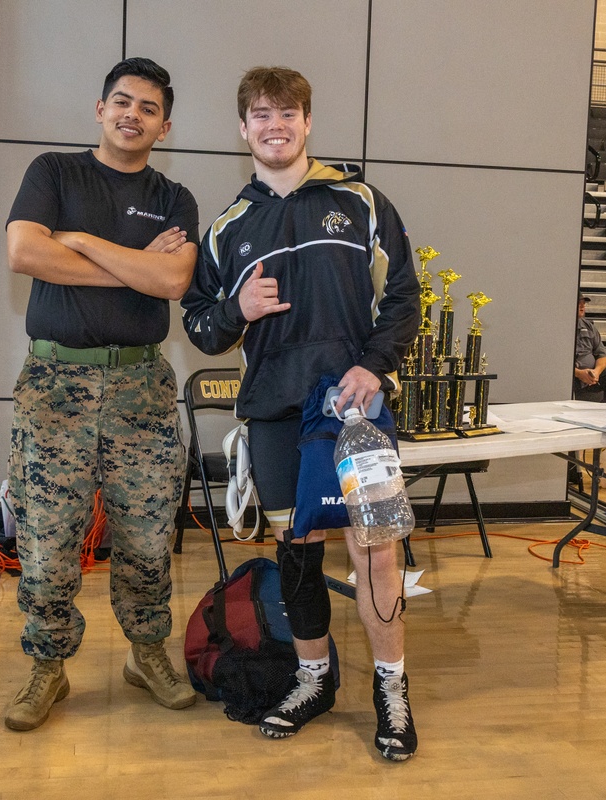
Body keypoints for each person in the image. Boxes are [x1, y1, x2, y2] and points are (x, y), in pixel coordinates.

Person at [180, 66, 422, 761]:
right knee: (297, 557)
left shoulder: (362, 200)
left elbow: (404, 295)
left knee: (375, 550)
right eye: (261, 114)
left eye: (288, 113)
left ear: (308, 122)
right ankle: (312, 679)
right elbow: (201, 327)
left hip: (357, 406)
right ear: (244, 128)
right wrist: (236, 309)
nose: (275, 125)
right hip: (278, 411)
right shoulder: (230, 228)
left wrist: (371, 365)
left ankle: (390, 690)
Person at [3, 57, 200, 732]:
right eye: (122, 101)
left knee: (147, 540)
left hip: (141, 390)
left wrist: (83, 243)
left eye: (148, 108)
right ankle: (48, 667)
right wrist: (137, 265)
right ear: (99, 108)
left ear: (164, 125)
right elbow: (27, 255)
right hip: (54, 387)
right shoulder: (53, 173)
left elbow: (175, 283)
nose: (132, 114)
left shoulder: (174, 198)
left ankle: (147, 655)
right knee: (48, 542)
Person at [574, 294, 606, 403]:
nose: (582, 306)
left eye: (583, 303)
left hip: (592, 374)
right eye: (579, 303)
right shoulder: (559, 328)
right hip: (572, 375)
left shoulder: (589, 326)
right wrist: (578, 373)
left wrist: (596, 372)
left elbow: (603, 355)